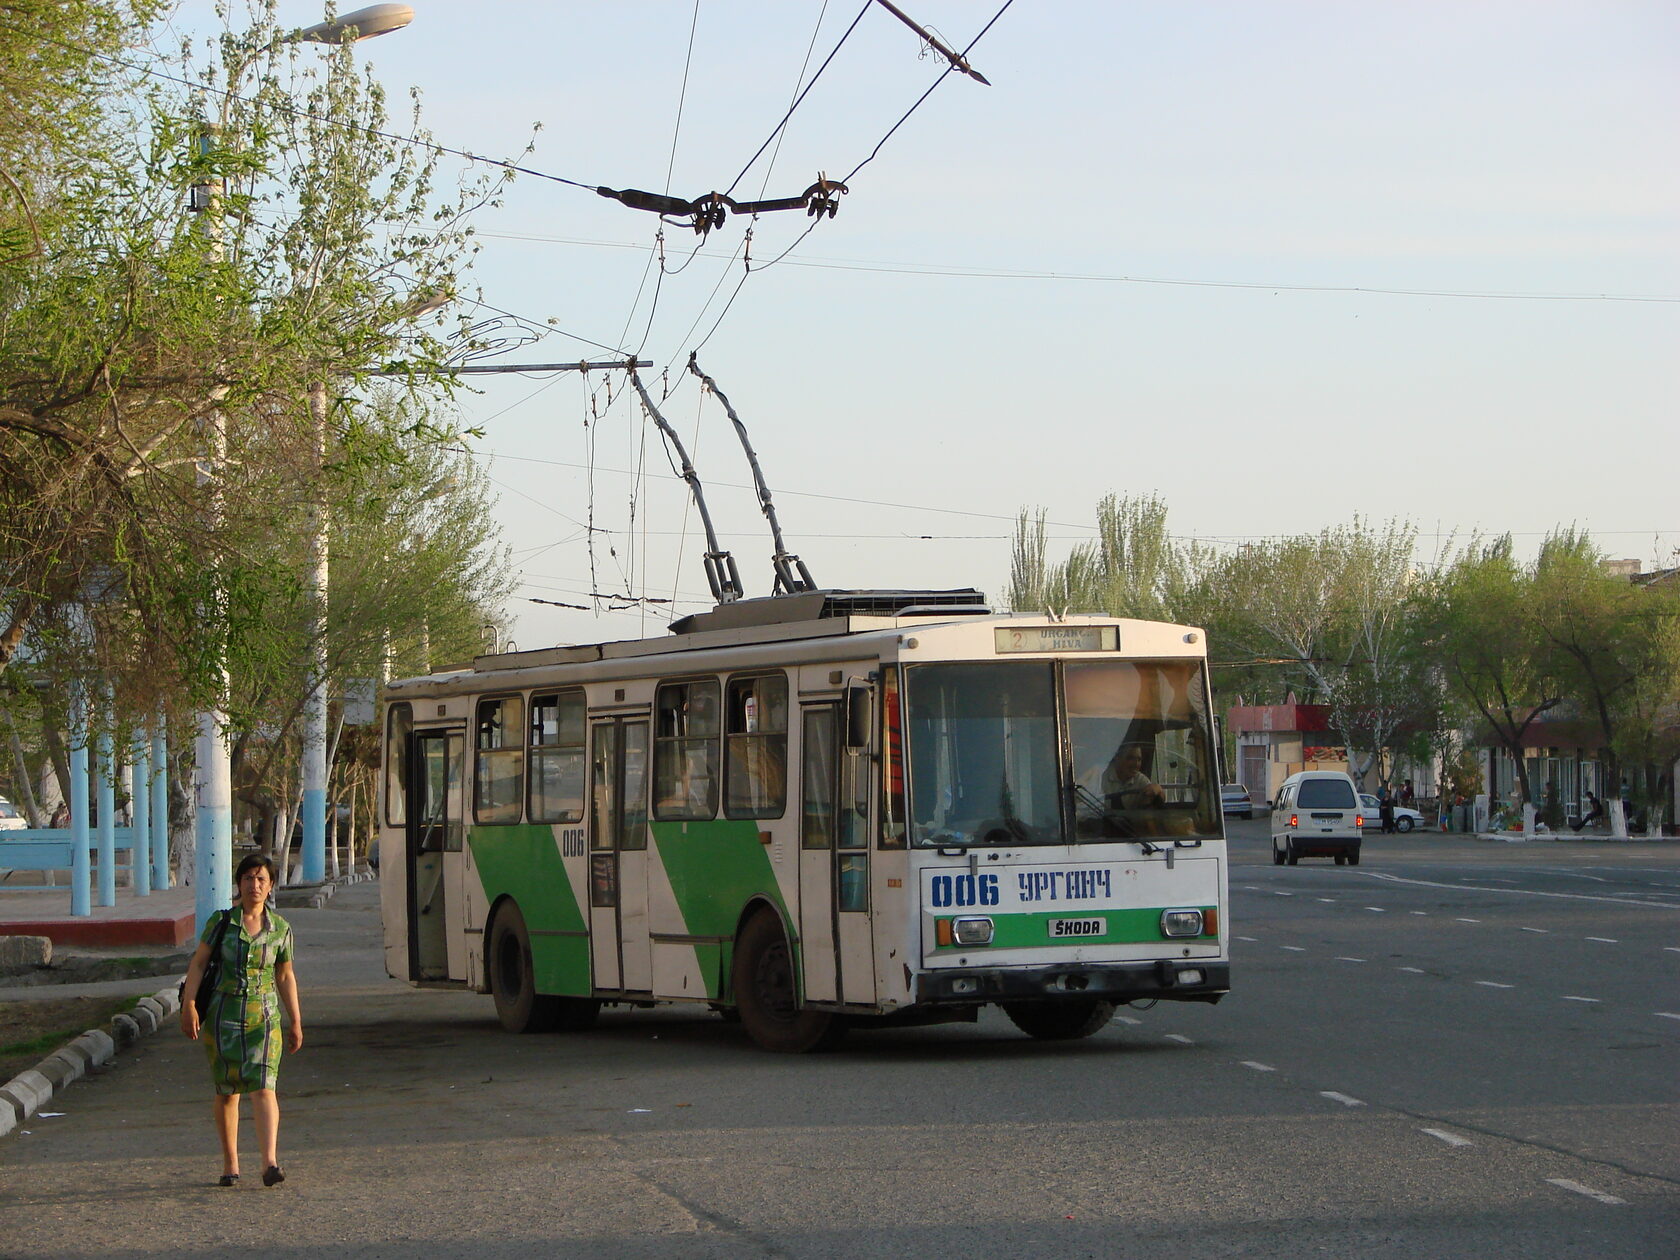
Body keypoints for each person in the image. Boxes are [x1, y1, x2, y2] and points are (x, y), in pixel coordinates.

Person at [179, 853, 303, 1188]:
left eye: (261, 879)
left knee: (264, 1086)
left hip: (264, 1018)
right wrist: (189, 1004)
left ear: (271, 885)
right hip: (223, 1016)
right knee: (228, 1091)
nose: (255, 885)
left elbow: (286, 976)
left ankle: (270, 1163)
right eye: (248, 878)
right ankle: (230, 1164)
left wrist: (296, 1020)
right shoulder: (221, 922)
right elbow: (199, 963)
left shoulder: (281, 929)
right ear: (239, 884)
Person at [1101, 743, 1166, 809]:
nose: (1136, 764)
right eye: (1130, 758)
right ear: (1117, 758)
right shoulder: (1099, 777)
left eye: (1139, 759)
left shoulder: (1140, 780)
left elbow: (1154, 798)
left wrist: (1158, 790)